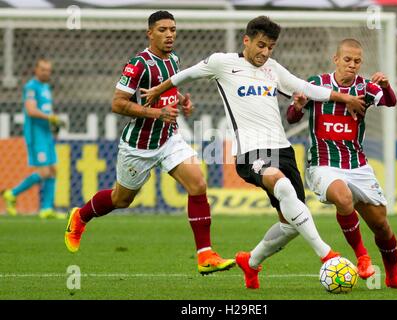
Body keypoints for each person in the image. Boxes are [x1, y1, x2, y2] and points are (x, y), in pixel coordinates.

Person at [140, 16, 368, 289]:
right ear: (246, 40)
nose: (265, 52)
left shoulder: (272, 68)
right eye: (261, 45)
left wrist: (345, 98)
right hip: (250, 151)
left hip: (282, 149)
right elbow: (185, 73)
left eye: (270, 47)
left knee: (291, 223)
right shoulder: (222, 63)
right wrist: (159, 89)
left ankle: (250, 262)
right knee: (280, 184)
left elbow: (305, 88)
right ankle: (327, 254)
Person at [64, 11, 235, 275]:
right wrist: (158, 113)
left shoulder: (174, 60)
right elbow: (117, 104)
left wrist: (181, 101)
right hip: (139, 146)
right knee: (121, 199)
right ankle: (81, 216)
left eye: (173, 30)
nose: (170, 35)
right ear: (150, 33)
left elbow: (166, 94)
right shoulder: (138, 64)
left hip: (169, 137)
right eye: (163, 30)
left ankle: (205, 255)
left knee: (198, 184)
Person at [286, 38, 397, 289]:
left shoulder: (366, 87)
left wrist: (387, 86)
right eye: (347, 60)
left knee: (381, 225)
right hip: (322, 163)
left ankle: (393, 276)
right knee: (343, 197)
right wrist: (298, 106)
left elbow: (390, 101)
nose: (352, 65)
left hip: (357, 165)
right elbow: (292, 118)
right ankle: (362, 258)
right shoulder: (317, 84)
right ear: (336, 59)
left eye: (357, 61)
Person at [2, 58, 65, 219]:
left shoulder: (46, 87)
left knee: (52, 170)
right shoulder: (31, 87)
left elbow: (44, 109)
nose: (46, 72)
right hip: (36, 135)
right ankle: (12, 193)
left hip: (46, 134)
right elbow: (30, 110)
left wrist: (53, 125)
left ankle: (46, 209)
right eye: (43, 69)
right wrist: (51, 118)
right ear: (36, 69)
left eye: (48, 70)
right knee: (44, 171)